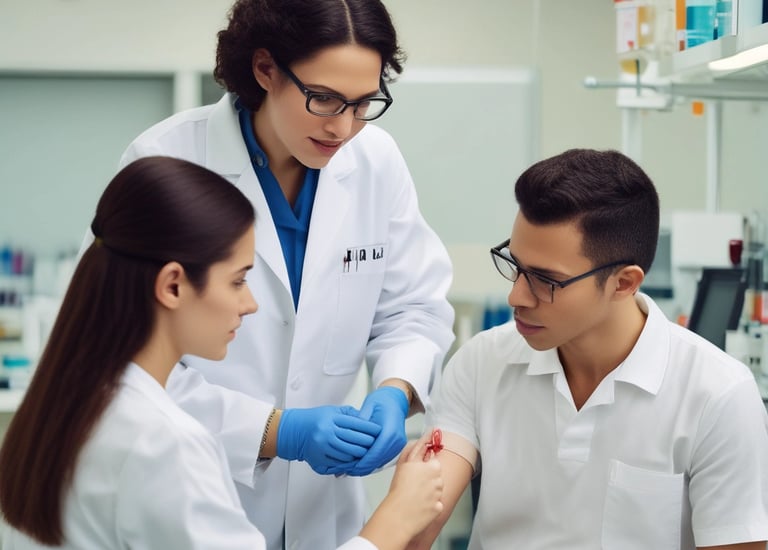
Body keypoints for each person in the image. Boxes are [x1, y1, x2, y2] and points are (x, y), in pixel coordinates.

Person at [110, 1, 455, 548]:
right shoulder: (167, 160)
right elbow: (117, 360)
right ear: (265, 69)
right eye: (323, 99)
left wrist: (394, 389)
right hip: (198, 485)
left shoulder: (376, 161)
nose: (343, 127)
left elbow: (413, 306)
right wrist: (274, 431)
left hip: (326, 507)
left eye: (364, 103)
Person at [0, 156, 445, 550]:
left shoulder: (59, 409)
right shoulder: (165, 443)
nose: (249, 304)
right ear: (173, 284)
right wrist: (395, 521)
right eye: (237, 280)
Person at [407, 149, 768, 549]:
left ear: (624, 283)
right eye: (515, 265)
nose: (516, 296)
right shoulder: (481, 362)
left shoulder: (717, 396)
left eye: (546, 280)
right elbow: (419, 522)